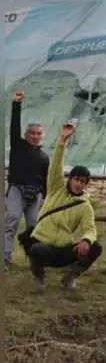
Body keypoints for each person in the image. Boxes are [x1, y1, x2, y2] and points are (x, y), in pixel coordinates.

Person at [23, 121, 102, 287]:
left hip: (63, 249)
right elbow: (55, 167)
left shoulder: (84, 205)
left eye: (83, 182)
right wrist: (62, 141)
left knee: (96, 247)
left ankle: (71, 275)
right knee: (37, 250)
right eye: (76, 179)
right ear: (70, 179)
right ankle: (39, 277)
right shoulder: (55, 190)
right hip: (43, 244)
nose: (79, 184)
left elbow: (90, 228)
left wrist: (86, 240)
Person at [6, 91, 50, 270]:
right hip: (17, 189)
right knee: (12, 220)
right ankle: (5, 259)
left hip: (36, 193)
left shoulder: (44, 157)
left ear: (42, 136)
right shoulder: (18, 146)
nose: (35, 136)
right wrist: (16, 104)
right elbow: (14, 127)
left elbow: (45, 179)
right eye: (32, 133)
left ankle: (35, 261)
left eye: (38, 134)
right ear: (26, 135)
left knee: (34, 227)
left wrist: (45, 198)